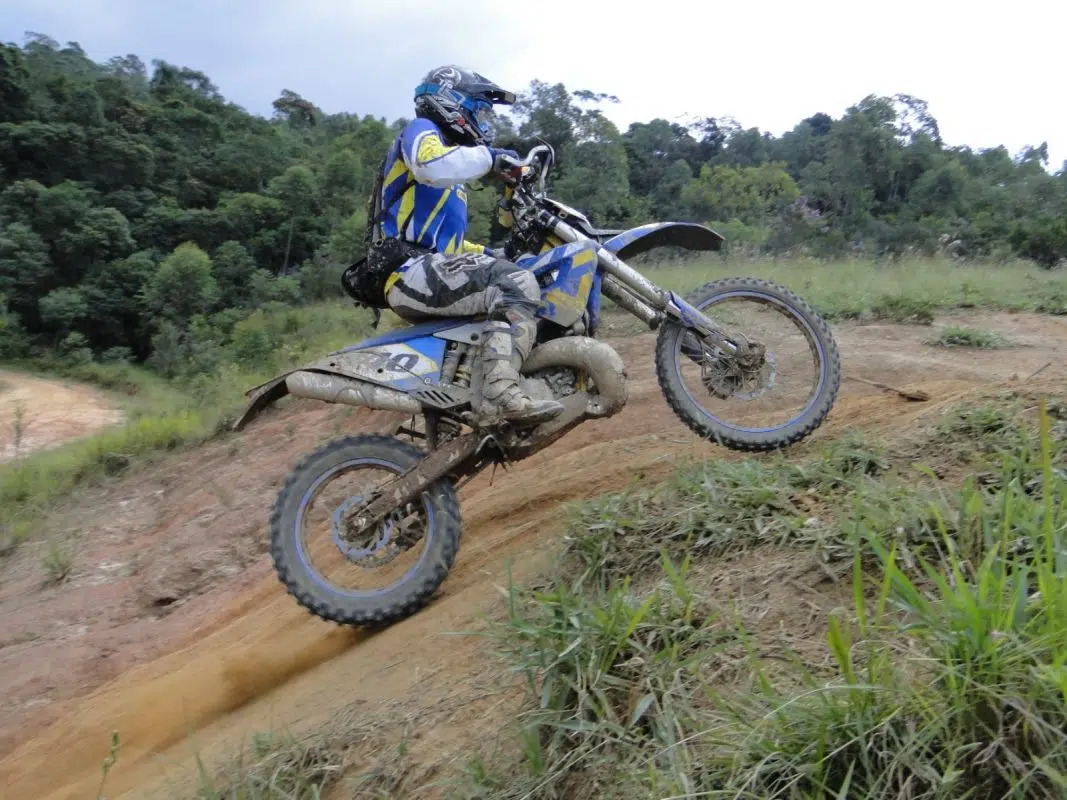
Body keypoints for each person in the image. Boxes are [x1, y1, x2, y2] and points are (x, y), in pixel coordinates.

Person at [360, 65, 564, 427]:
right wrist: (490, 158)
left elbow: (451, 246)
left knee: (519, 271)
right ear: (452, 101)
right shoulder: (421, 132)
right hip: (408, 269)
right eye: (481, 111)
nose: (484, 123)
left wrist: (494, 253)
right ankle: (501, 394)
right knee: (516, 285)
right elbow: (430, 166)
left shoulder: (452, 168)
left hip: (429, 269)